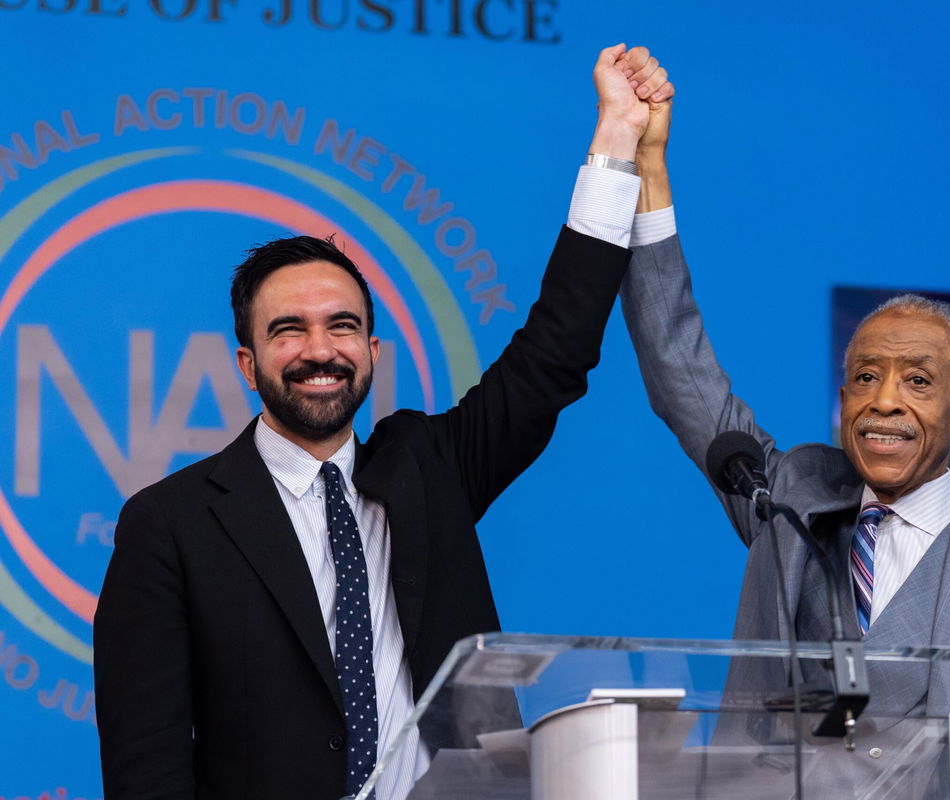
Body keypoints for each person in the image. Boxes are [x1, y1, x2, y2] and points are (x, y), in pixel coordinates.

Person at [93, 45, 673, 800]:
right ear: (246, 361)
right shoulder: (169, 525)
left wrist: (617, 139)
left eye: (341, 326)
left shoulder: (430, 468)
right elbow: (148, 765)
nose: (318, 350)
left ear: (370, 350)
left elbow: (554, 354)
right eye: (287, 330)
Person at [613, 49, 950, 798]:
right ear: (841, 402)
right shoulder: (792, 505)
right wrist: (646, 166)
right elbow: (680, 368)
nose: (882, 401)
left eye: (916, 381)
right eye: (864, 378)